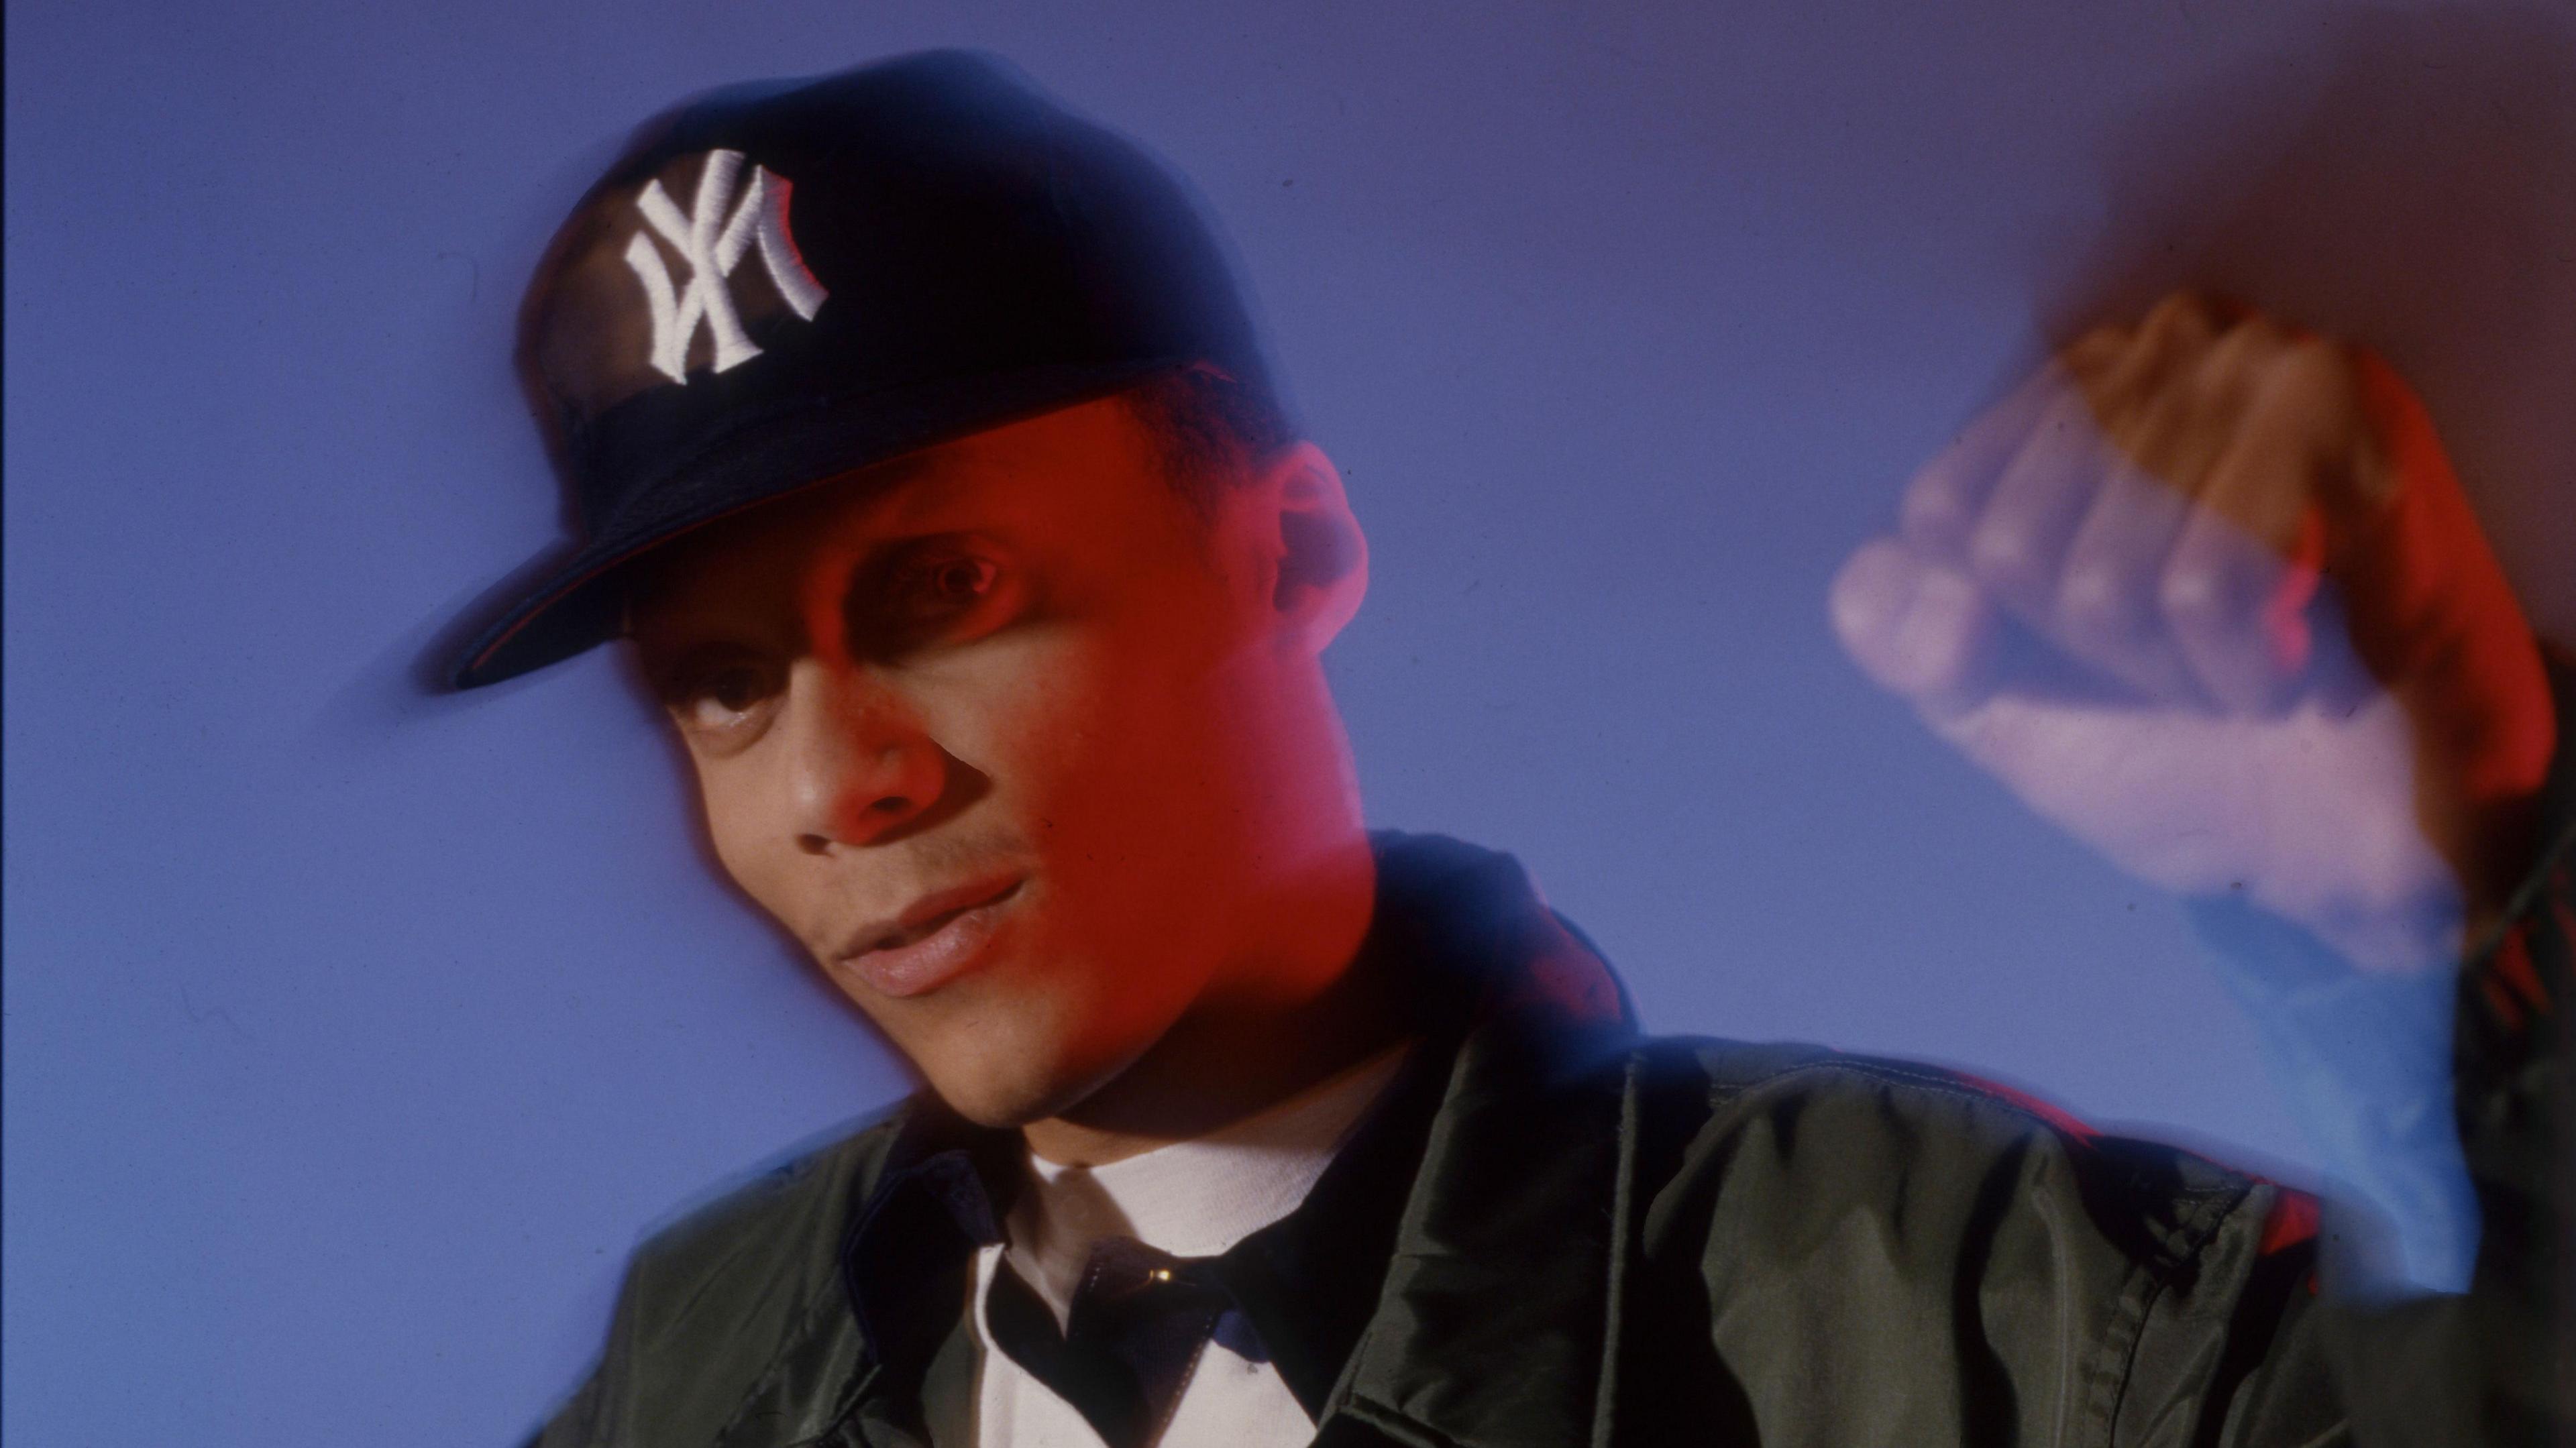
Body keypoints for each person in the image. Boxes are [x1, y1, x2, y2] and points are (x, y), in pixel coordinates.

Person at [445, 50, 2571, 1448]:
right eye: (720, 682)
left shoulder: (1964, 1311)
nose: (838, 790)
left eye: (943, 594)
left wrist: (2471, 854)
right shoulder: (696, 1372)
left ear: (1293, 548)